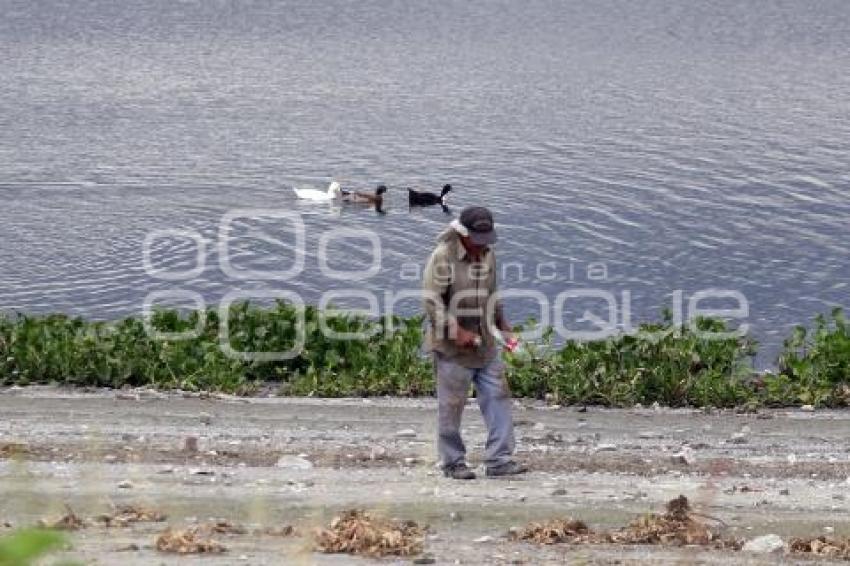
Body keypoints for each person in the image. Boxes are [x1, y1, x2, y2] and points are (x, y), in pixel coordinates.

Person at [422, 206, 528, 479]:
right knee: (452, 405)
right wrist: (455, 330)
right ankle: (453, 462)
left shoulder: (489, 255)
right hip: (452, 349)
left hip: (485, 343)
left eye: (487, 240)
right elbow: (432, 301)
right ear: (463, 233)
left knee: (498, 396)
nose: (483, 246)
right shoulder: (443, 257)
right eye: (478, 240)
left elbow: (493, 294)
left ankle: (499, 460)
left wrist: (504, 326)